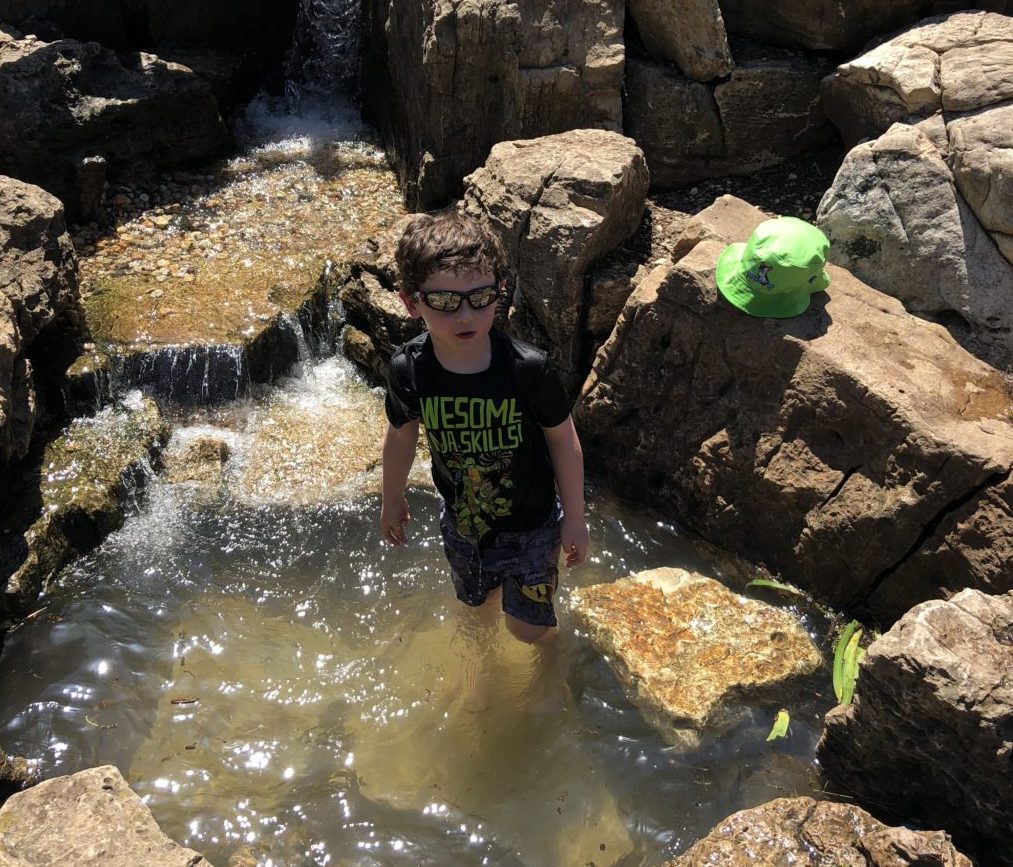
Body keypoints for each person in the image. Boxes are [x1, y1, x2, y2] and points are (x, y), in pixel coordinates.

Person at [379, 211, 590, 644]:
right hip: (464, 524)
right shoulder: (408, 369)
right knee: (477, 609)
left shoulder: (528, 369)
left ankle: (543, 687)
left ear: (501, 292)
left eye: (481, 296)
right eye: (443, 301)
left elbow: (563, 439)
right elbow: (401, 436)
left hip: (532, 525)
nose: (465, 315)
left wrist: (575, 517)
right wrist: (391, 498)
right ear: (410, 302)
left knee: (529, 629)